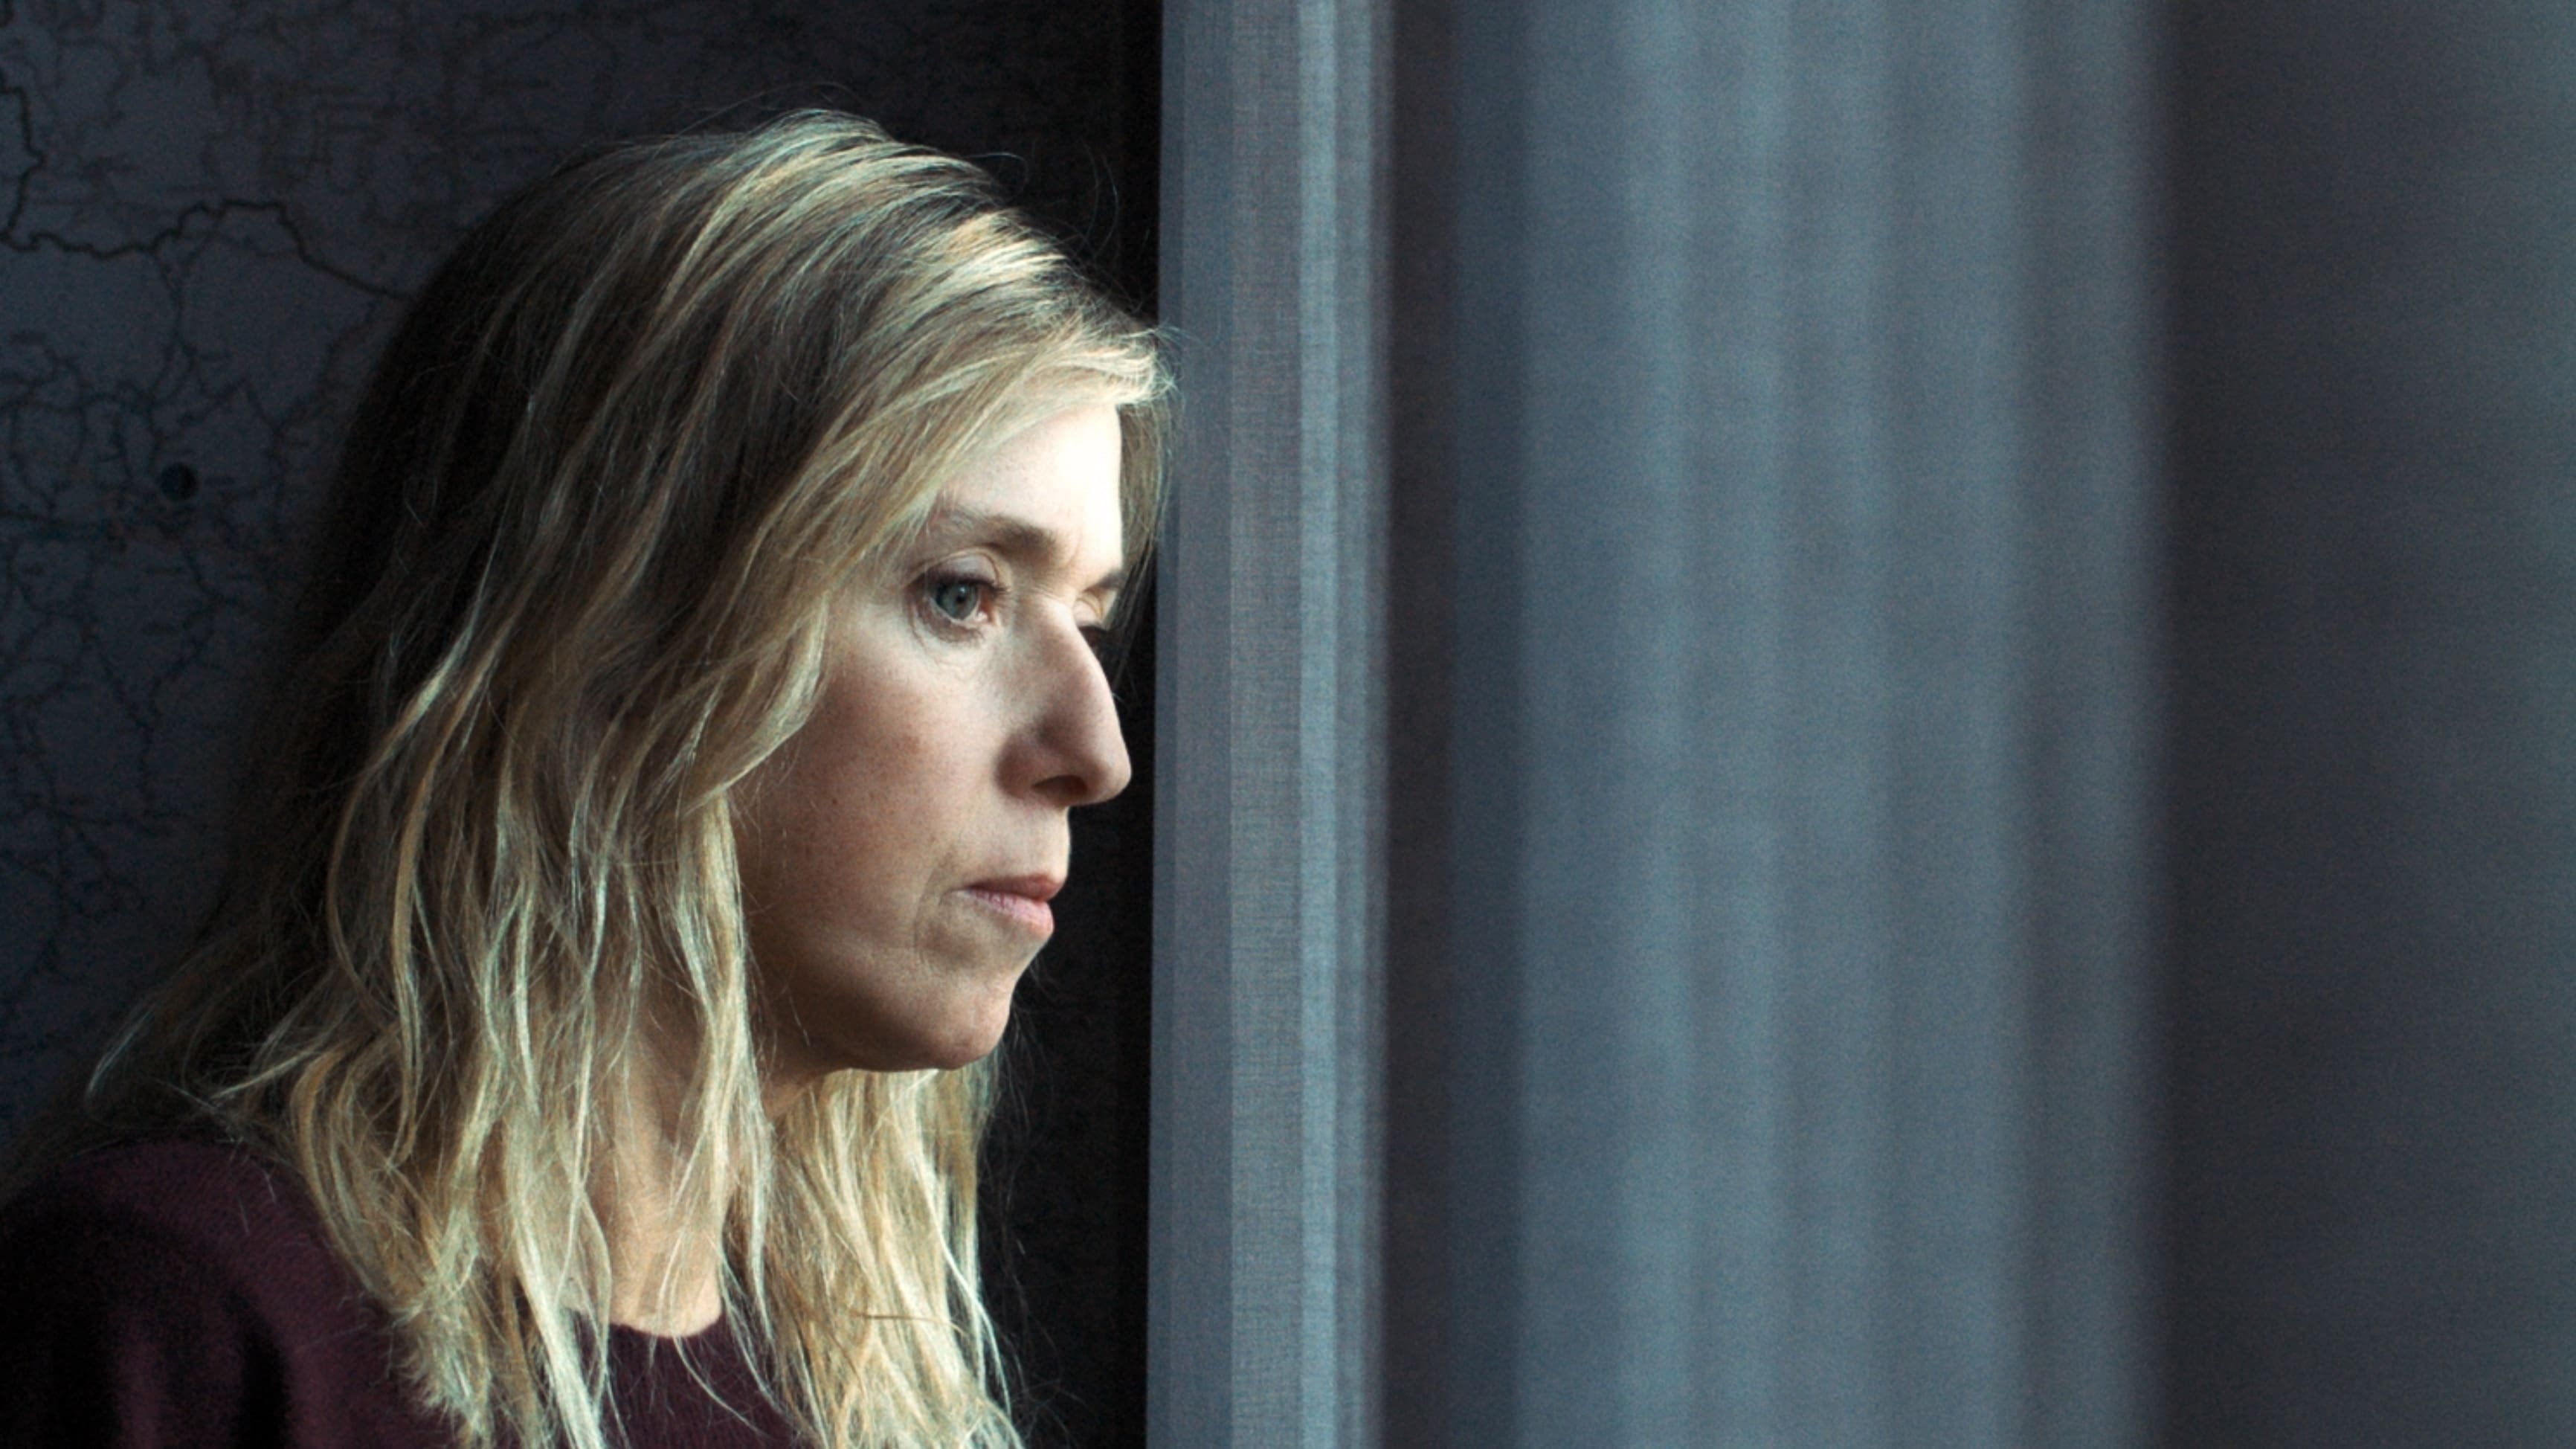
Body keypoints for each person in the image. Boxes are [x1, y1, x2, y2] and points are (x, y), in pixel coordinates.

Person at [0, 110, 1165, 1448]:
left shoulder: (841, 1392)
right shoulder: (184, 1321)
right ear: (609, 631)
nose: (1098, 755)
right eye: (962, 594)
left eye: (1087, 614)